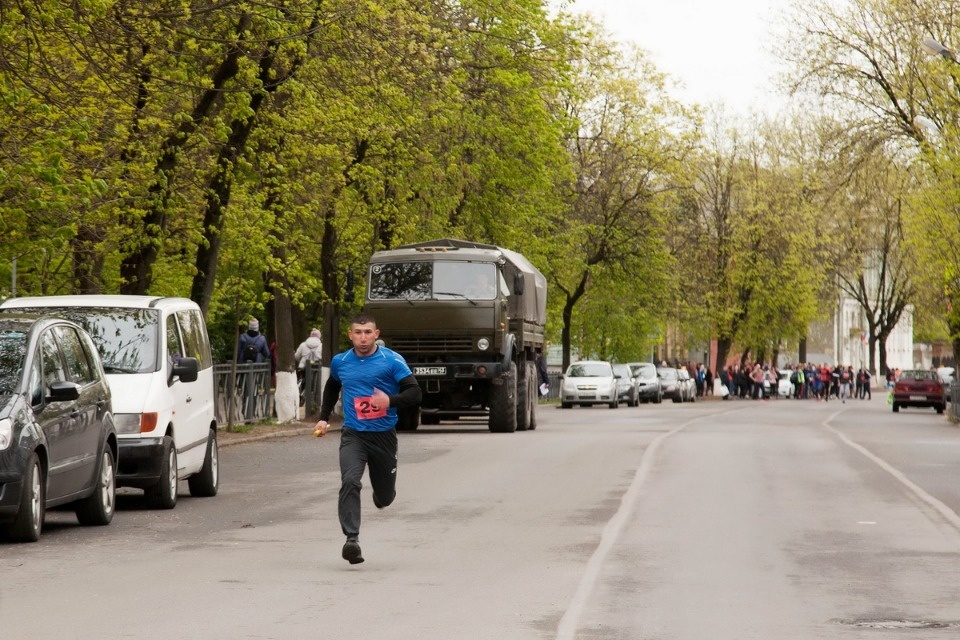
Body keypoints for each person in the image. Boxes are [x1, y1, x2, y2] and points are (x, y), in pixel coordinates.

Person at [313, 314, 422, 565]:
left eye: (368, 332)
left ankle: (382, 495)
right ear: (350, 335)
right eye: (358, 332)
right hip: (354, 435)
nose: (363, 338)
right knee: (350, 480)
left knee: (384, 497)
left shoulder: (391, 361)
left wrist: (389, 401)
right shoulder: (341, 362)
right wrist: (323, 417)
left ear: (376, 334)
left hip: (384, 436)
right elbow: (332, 387)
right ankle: (352, 539)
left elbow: (415, 393)